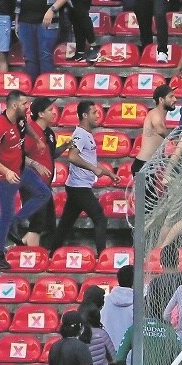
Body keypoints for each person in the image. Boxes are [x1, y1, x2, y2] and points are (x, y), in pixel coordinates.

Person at [0, 91, 51, 265]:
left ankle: (17, 219)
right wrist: (5, 171)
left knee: (44, 193)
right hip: (4, 176)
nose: (27, 106)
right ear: (14, 105)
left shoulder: (20, 118)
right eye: (24, 104)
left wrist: (37, 139)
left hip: (21, 169)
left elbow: (26, 126)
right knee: (6, 215)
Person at [46, 101, 116, 254]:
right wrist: (93, 169)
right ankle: (102, 257)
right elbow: (72, 156)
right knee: (100, 219)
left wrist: (108, 173)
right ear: (85, 115)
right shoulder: (80, 134)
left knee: (66, 223)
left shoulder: (87, 135)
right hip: (79, 187)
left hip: (76, 186)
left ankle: (51, 253)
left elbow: (90, 160)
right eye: (94, 112)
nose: (97, 115)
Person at [22, 97, 61, 247]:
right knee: (37, 224)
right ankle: (33, 258)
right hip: (31, 184)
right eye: (50, 110)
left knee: (49, 225)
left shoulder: (50, 133)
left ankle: (21, 247)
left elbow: (51, 155)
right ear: (41, 113)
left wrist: (67, 145)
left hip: (45, 186)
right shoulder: (30, 132)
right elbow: (18, 156)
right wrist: (35, 164)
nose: (54, 113)